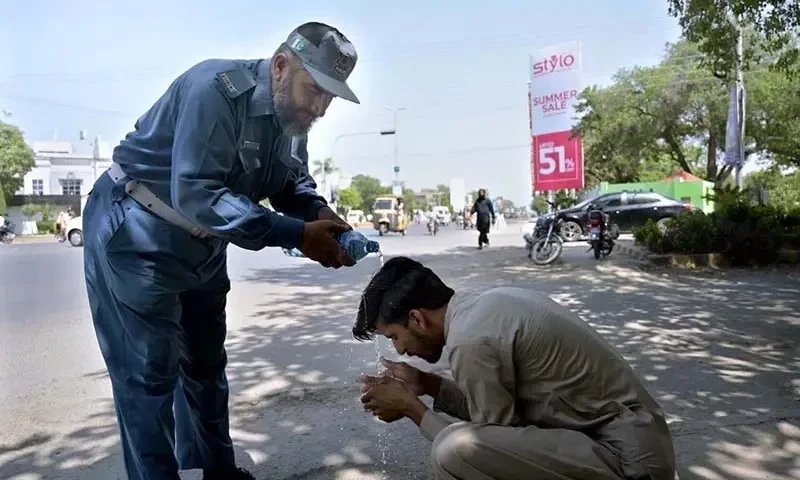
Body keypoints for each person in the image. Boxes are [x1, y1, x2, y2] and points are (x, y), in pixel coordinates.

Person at [82, 22, 360, 480]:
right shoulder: (214, 88)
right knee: (148, 378)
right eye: (315, 90)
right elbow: (195, 192)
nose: (321, 107)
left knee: (207, 369)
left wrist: (321, 216)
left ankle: (214, 471)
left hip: (206, 244)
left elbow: (292, 184)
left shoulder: (294, 120)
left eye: (330, 96)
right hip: (138, 230)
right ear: (280, 66)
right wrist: (296, 235)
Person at [354, 257, 676, 480]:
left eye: (394, 337)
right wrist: (426, 383)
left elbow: (488, 449)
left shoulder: (469, 342)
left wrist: (412, 408)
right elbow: (500, 427)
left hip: (627, 462)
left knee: (451, 450)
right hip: (634, 444)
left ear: (417, 319)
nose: (400, 350)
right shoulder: (481, 308)